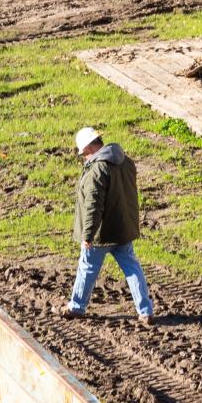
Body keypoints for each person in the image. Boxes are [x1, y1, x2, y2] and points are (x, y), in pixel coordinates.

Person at [62, 126, 154, 325]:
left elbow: (93, 206)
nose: (83, 159)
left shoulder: (97, 170)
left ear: (88, 150)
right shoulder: (126, 162)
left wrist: (88, 235)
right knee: (132, 268)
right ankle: (145, 311)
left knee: (87, 267)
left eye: (83, 155)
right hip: (123, 229)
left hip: (102, 233)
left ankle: (76, 307)